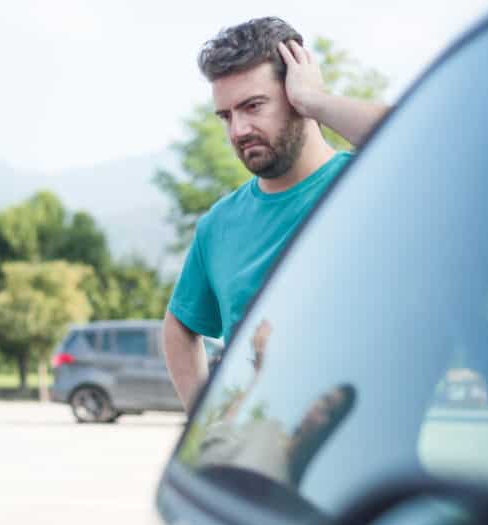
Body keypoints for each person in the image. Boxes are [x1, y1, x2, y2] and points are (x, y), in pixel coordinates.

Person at [163, 17, 389, 413]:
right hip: (265, 457)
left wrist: (318, 102)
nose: (238, 130)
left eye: (252, 106)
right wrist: (204, 424)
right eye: (226, 115)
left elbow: (429, 140)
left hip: (369, 448)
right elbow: (179, 329)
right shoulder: (217, 225)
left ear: (295, 94)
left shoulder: (367, 183)